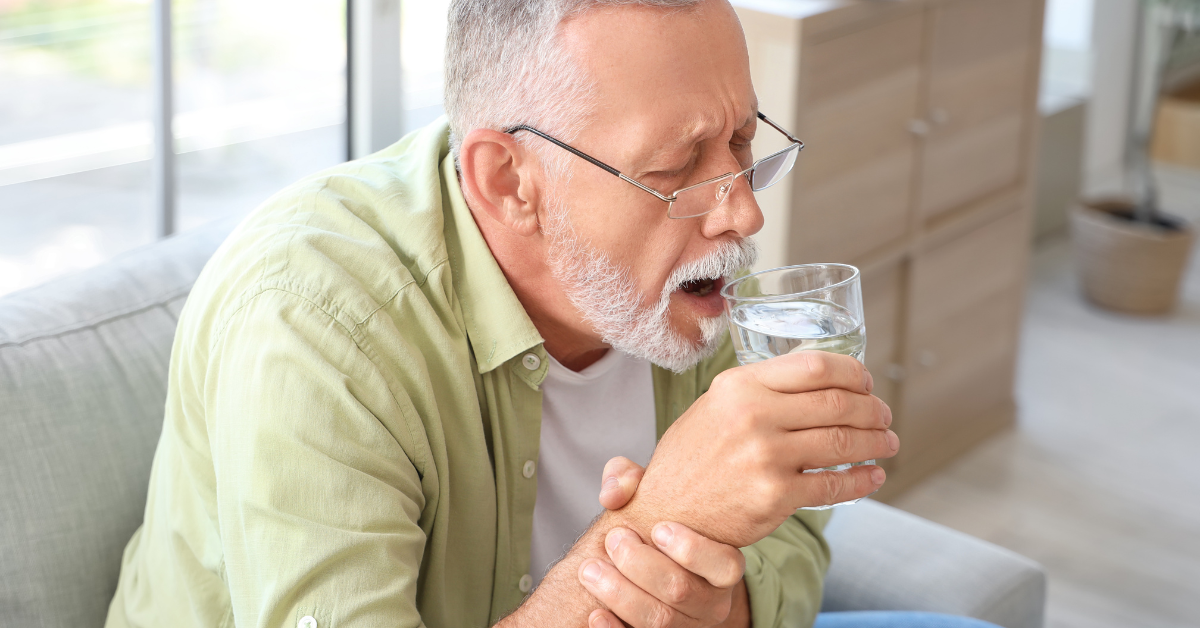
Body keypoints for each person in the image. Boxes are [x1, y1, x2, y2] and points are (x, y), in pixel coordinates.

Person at [104, 1, 993, 627]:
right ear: (509, 181)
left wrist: (710, 603)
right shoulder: (312, 324)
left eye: (742, 142)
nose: (743, 211)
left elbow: (788, 539)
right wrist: (651, 530)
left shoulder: (683, 278)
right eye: (680, 165)